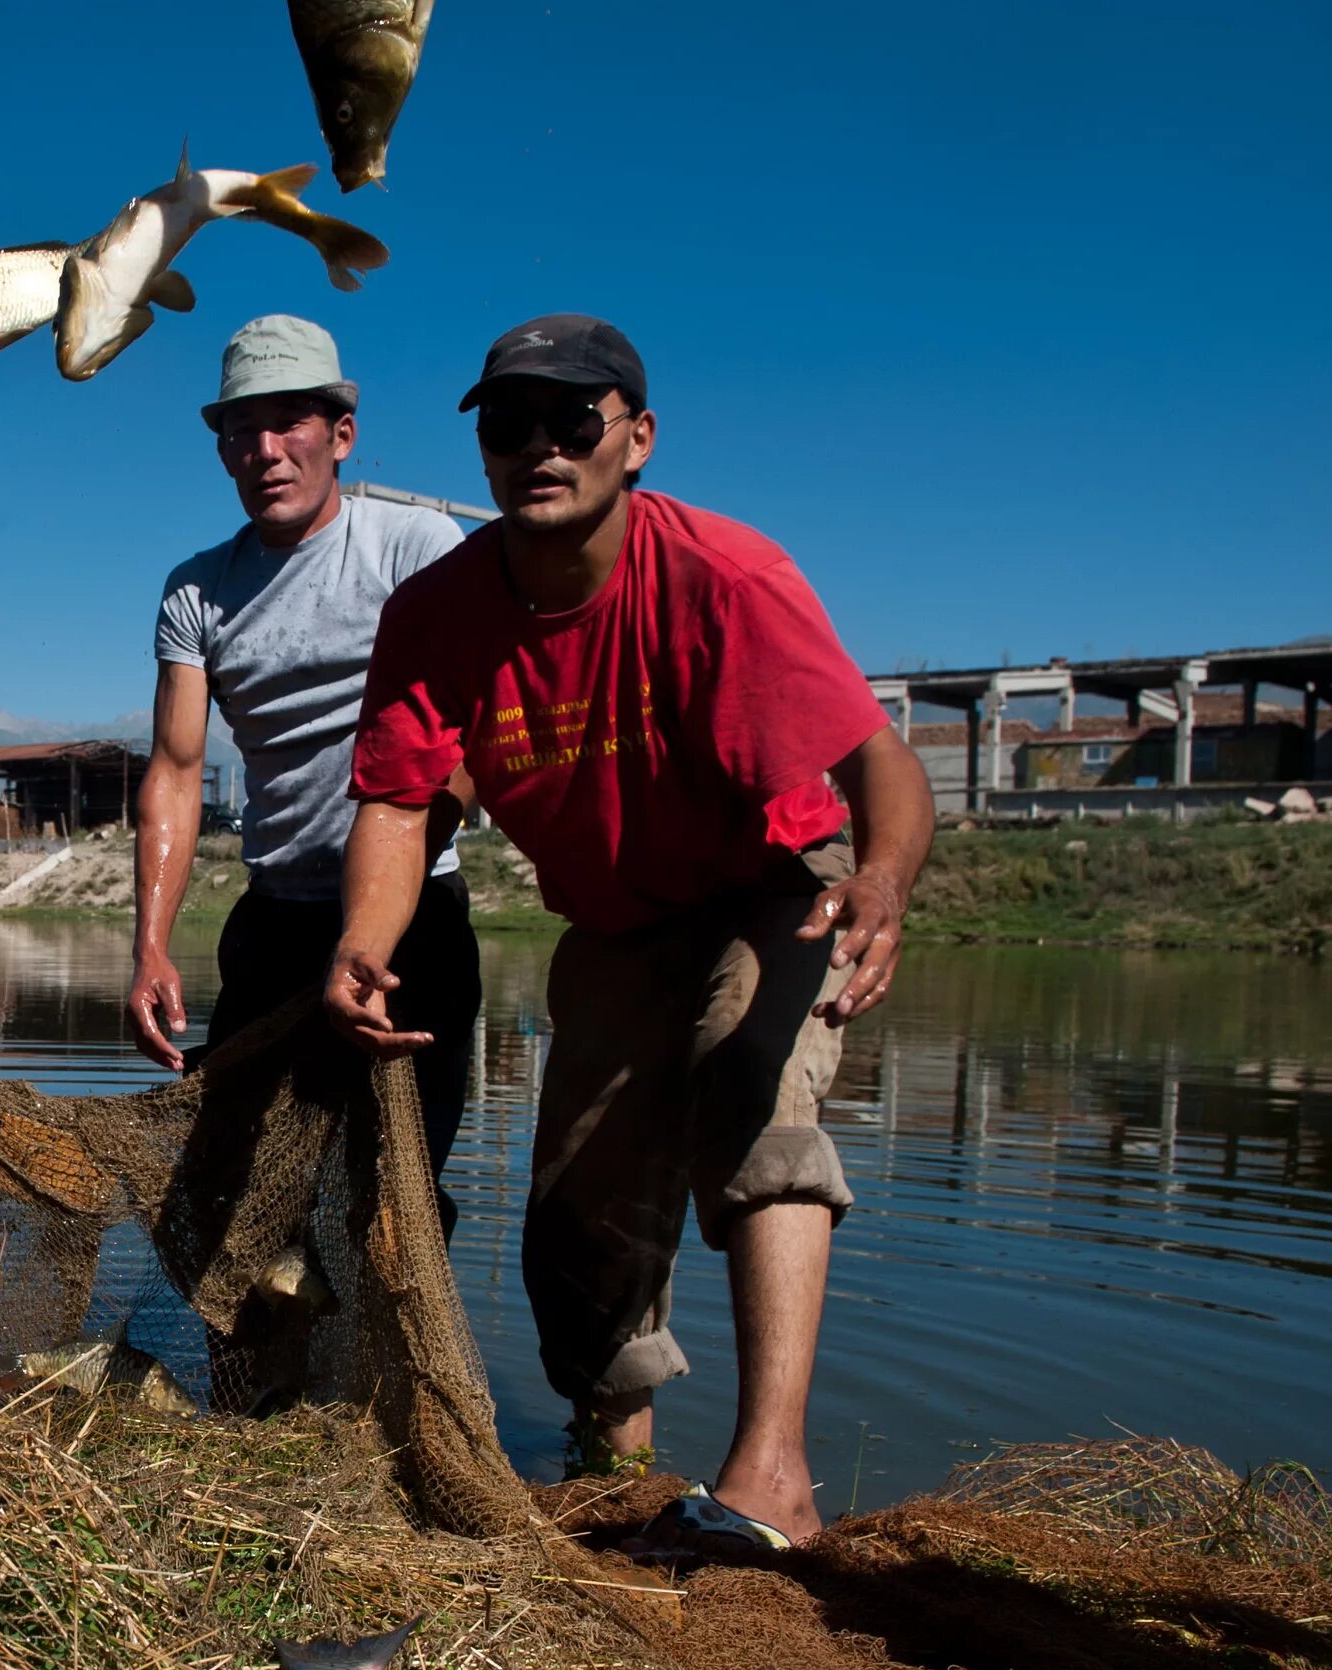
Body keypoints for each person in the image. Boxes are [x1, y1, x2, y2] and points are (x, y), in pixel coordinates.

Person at [325, 314, 936, 1553]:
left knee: (752, 1093)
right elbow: (400, 798)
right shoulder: (439, 613)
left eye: (574, 420)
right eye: (509, 427)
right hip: (609, 923)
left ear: (636, 439)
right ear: (485, 454)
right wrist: (364, 941)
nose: (541, 447)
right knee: (573, 1225)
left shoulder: (726, 575)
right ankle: (615, 1474)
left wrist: (881, 880)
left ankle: (774, 1482)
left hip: (773, 885)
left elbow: (880, 758)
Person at [128, 315, 479, 1206]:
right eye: (243, 430)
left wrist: (372, 921)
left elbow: (466, 747)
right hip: (275, 922)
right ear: (221, 450)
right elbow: (174, 770)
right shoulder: (198, 589)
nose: (267, 451)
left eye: (291, 424)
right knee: (237, 1200)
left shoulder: (414, 549)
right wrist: (151, 948)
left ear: (342, 436)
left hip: (415, 929)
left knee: (390, 1201)